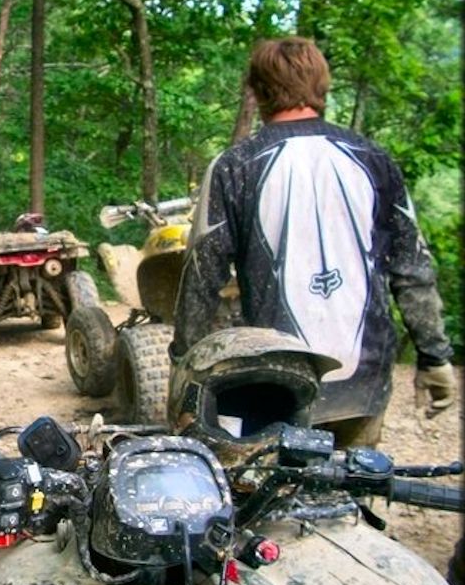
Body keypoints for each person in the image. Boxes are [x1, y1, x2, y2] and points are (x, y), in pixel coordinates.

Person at [169, 36, 456, 447]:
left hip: (276, 376)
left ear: (257, 90)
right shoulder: (376, 160)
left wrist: (184, 362)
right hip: (364, 375)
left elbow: (201, 275)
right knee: (353, 484)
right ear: (323, 85)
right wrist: (434, 357)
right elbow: (412, 268)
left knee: (269, 493)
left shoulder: (235, 166)